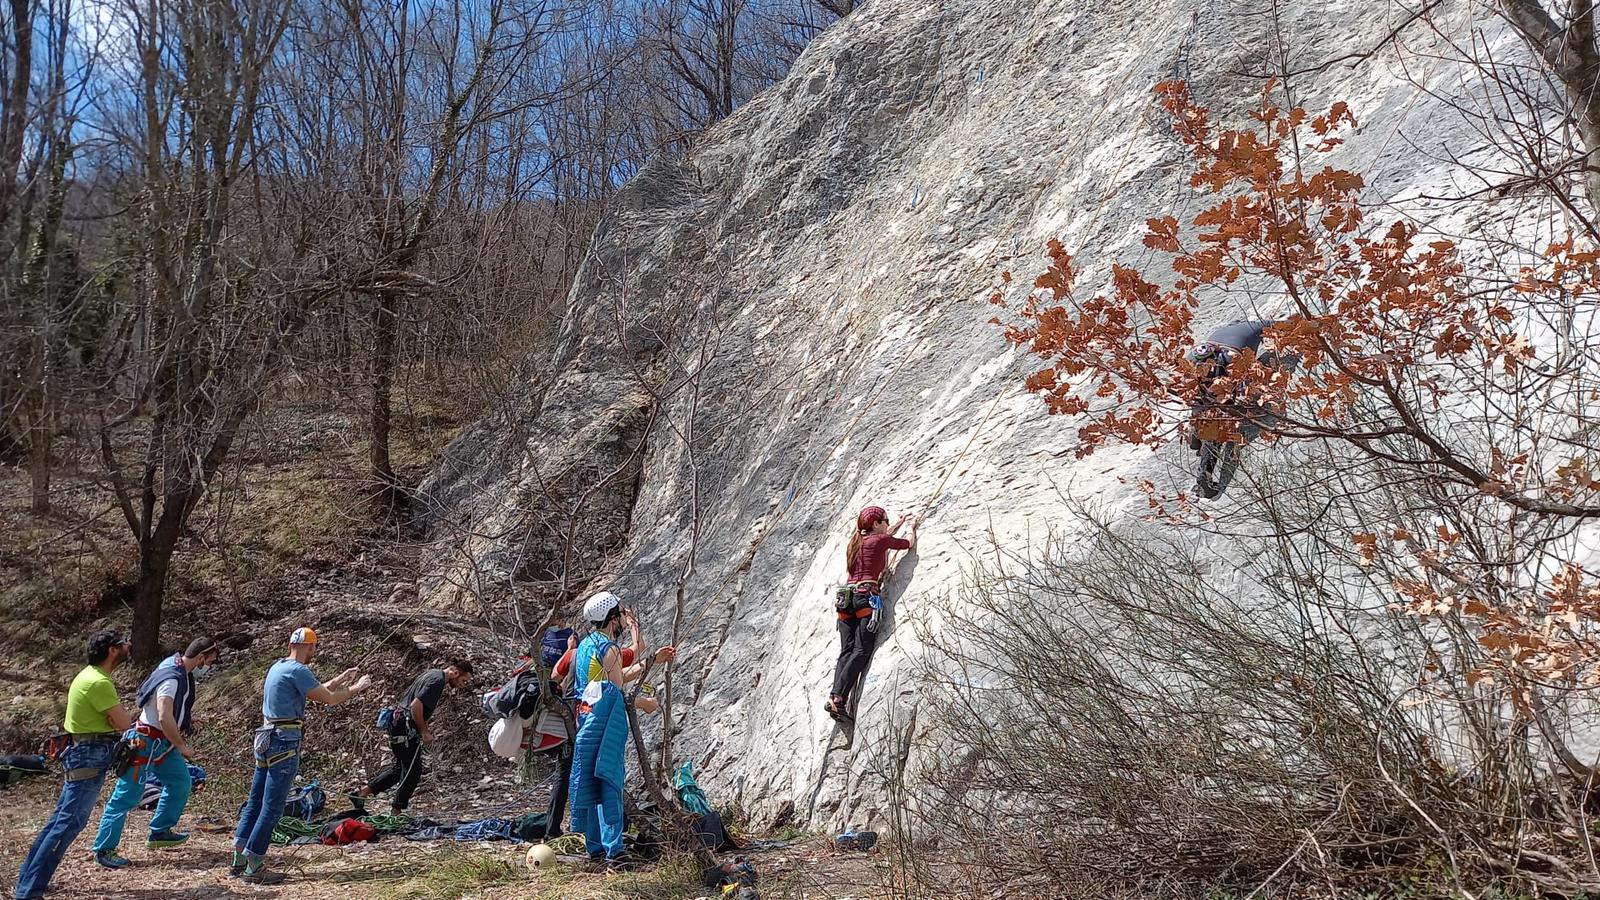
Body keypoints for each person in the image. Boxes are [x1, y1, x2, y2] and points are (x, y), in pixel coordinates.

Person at [231, 627, 371, 885]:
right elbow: (328, 699)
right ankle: (255, 865)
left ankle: (239, 858)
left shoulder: (279, 667)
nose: (313, 653)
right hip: (283, 742)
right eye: (313, 648)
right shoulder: (299, 670)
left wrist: (341, 678)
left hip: (266, 739)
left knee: (255, 801)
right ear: (309, 646)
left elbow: (316, 691)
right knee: (272, 807)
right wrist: (356, 688)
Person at [13, 629, 135, 900]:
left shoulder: (89, 676)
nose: (128, 647)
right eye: (123, 644)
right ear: (112, 650)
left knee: (60, 821)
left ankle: (29, 881)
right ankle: (29, 890)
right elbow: (124, 723)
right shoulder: (99, 682)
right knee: (68, 823)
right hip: (89, 753)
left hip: (84, 751)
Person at [90, 637, 221, 868]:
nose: (210, 666)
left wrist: (186, 720)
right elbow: (163, 715)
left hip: (162, 743)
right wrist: (181, 745)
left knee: (180, 782)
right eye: (209, 661)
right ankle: (104, 849)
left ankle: (160, 832)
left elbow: (171, 712)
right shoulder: (172, 678)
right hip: (145, 742)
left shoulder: (177, 666)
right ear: (200, 657)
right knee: (126, 797)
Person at [568, 592, 676, 868]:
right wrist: (646, 701)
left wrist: (650, 656)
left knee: (592, 782)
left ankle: (595, 850)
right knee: (609, 780)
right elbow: (616, 689)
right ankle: (614, 851)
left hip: (585, 719)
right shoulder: (610, 648)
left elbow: (610, 677)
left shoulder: (584, 647)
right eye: (618, 616)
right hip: (605, 722)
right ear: (611, 618)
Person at [825, 506, 917, 722]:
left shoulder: (855, 542)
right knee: (861, 650)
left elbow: (882, 537)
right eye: (885, 520)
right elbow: (907, 544)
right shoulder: (879, 541)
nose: (888, 523)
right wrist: (911, 528)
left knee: (846, 651)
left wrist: (897, 524)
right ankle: (837, 698)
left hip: (845, 598)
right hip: (865, 597)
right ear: (876, 524)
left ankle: (835, 696)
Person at [351, 659, 474, 814]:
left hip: (399, 724)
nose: (463, 684)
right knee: (413, 772)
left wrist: (424, 727)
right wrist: (424, 732)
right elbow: (415, 706)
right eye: (463, 680)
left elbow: (420, 706)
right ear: (455, 673)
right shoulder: (437, 681)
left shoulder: (434, 674)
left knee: (399, 769)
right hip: (405, 728)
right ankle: (396, 812)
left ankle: (361, 793)